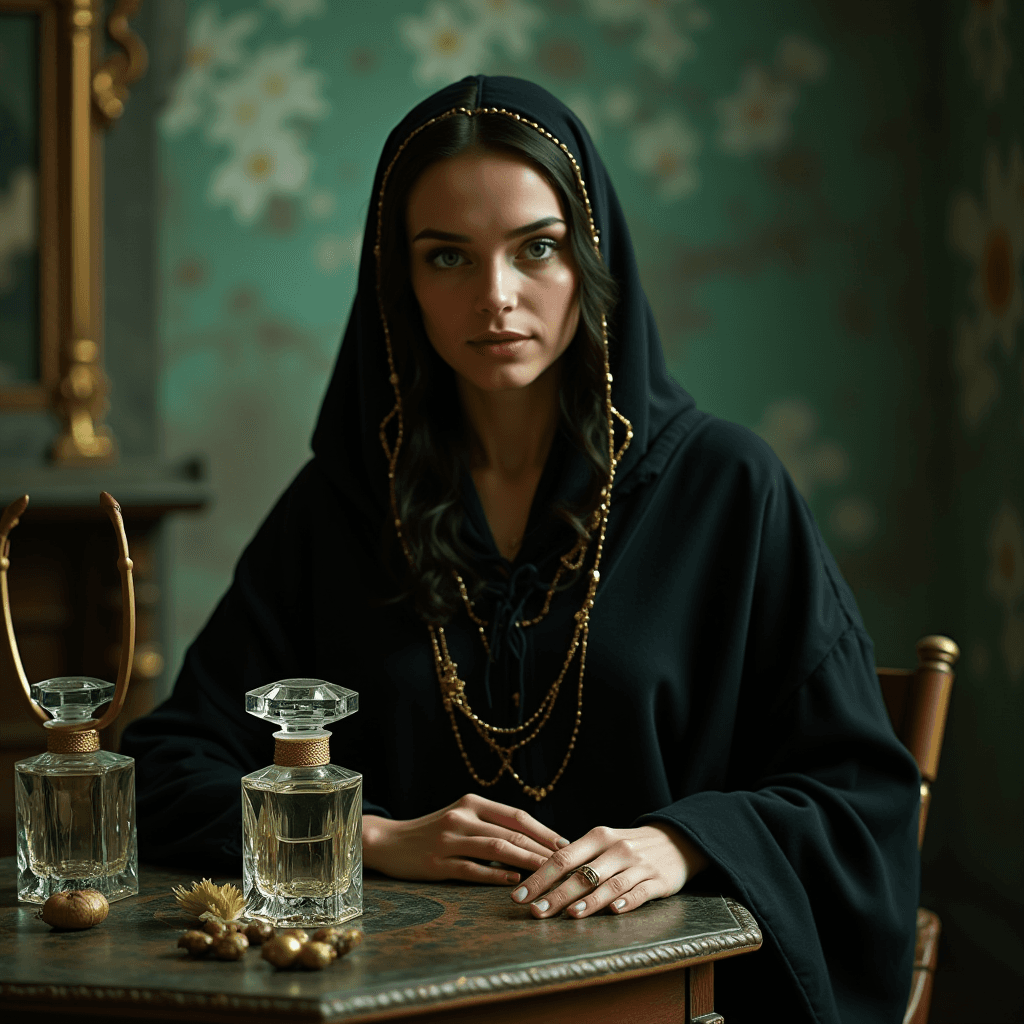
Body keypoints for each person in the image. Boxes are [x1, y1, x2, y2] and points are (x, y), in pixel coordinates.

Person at [121, 76, 920, 1023]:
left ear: (591, 256)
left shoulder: (729, 491)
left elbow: (858, 796)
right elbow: (165, 769)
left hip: (657, 1003)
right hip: (404, 1005)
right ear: (398, 281)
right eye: (447, 256)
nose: (495, 298)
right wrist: (364, 835)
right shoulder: (341, 509)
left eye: (536, 249)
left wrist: (687, 843)